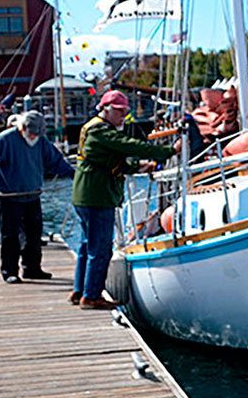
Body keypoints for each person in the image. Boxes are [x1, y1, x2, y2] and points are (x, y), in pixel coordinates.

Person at [71, 89, 176, 310]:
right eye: (119, 111)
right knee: (100, 248)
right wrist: (167, 151)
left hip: (87, 194)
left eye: (125, 112)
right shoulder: (101, 131)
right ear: (106, 110)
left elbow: (108, 160)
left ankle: (80, 290)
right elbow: (129, 145)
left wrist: (138, 165)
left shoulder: (93, 129)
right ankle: (90, 296)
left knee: (86, 245)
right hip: (97, 196)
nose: (123, 116)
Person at [0, 110, 75, 283]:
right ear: (22, 127)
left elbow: (56, 162)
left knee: (34, 235)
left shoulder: (41, 142)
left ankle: (32, 268)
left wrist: (74, 174)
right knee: (10, 236)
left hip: (32, 195)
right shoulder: (5, 140)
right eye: (30, 133)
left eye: (37, 134)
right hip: (8, 196)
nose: (33, 137)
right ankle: (9, 271)